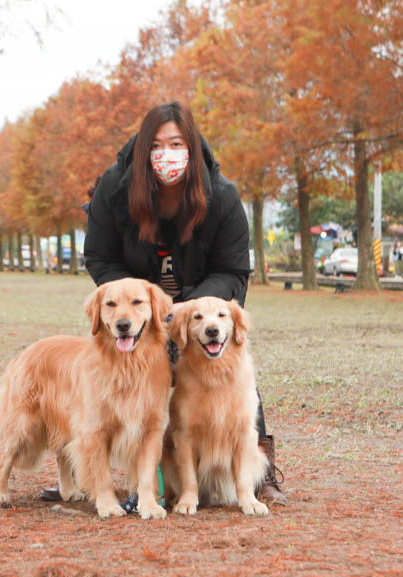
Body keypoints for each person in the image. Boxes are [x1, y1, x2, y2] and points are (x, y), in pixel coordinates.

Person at [64, 101, 286, 506]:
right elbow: (98, 257)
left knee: (229, 368)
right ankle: (131, 479)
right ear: (145, 149)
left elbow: (235, 270)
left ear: (193, 148)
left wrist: (189, 311)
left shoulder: (221, 195)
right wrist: (136, 302)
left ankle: (263, 474)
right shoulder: (114, 190)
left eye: (178, 143)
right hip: (140, 307)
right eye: (158, 145)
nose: (168, 154)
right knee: (131, 384)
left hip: (196, 302)